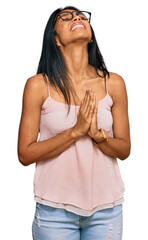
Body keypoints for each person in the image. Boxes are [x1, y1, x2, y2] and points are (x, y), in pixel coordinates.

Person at [17, 5, 131, 240]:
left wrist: (99, 137)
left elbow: (124, 149)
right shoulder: (38, 85)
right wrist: (75, 131)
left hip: (107, 211)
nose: (77, 18)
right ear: (55, 39)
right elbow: (25, 154)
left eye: (80, 16)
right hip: (54, 212)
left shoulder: (114, 83)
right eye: (66, 17)